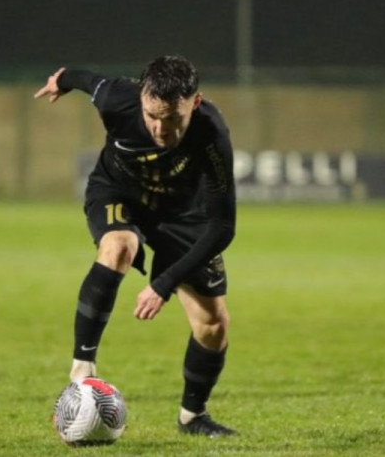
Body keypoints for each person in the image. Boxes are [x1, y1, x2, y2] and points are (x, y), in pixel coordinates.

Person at [34, 56, 237, 437]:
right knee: (119, 247)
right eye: (151, 115)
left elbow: (223, 227)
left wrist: (163, 284)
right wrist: (61, 80)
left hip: (182, 214)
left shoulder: (212, 133)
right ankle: (82, 368)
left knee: (213, 326)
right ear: (141, 97)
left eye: (172, 118)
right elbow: (84, 76)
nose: (160, 128)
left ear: (195, 102)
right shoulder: (117, 98)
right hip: (118, 192)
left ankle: (192, 418)